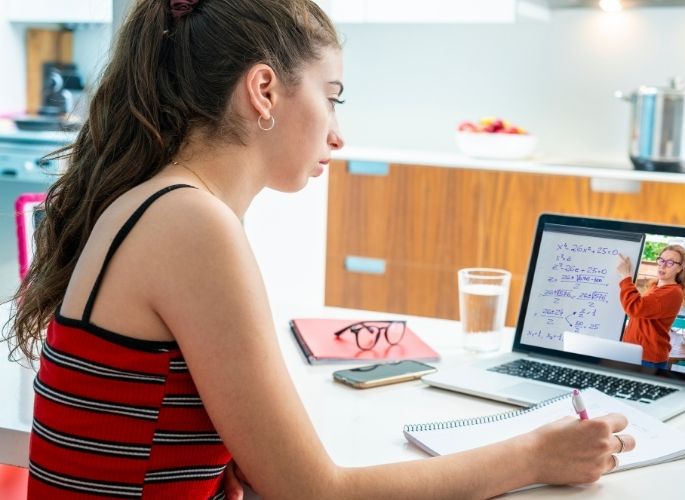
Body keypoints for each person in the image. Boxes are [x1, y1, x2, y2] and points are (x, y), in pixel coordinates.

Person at [3, 1, 635, 498]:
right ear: (264, 91)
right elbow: (313, 493)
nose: (337, 132)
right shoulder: (192, 224)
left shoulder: (161, 203)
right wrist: (534, 456)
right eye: (331, 96)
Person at [616, 245, 685, 369]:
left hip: (647, 358)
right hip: (634, 352)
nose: (663, 265)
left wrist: (625, 276)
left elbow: (635, 308)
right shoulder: (655, 287)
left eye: (670, 262)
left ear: (680, 268)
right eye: (661, 260)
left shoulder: (673, 293)